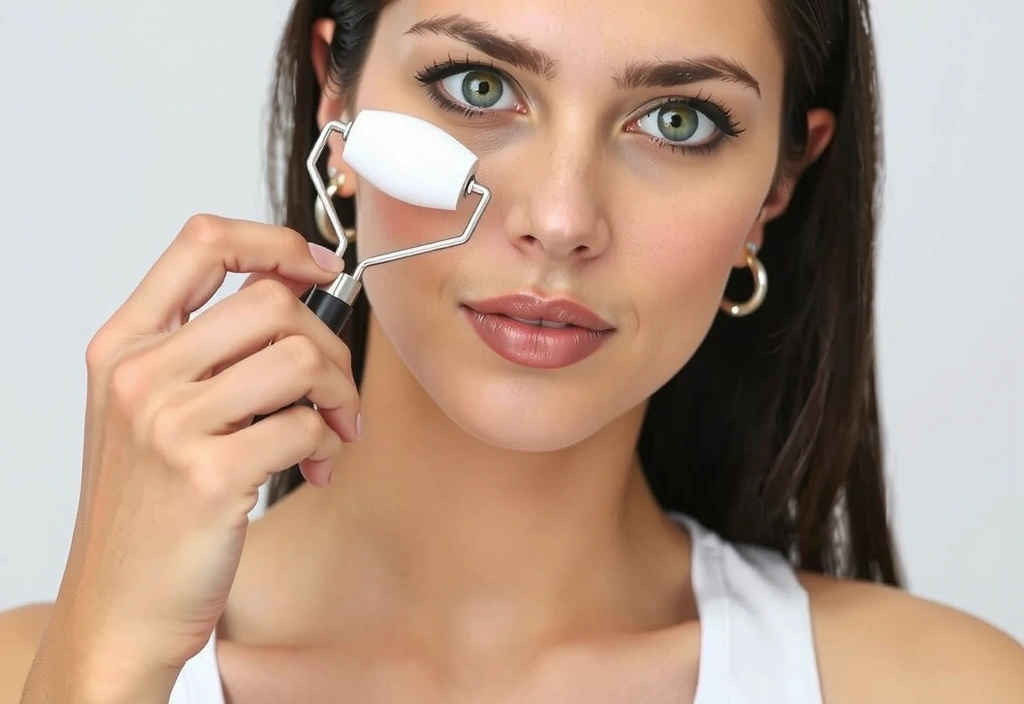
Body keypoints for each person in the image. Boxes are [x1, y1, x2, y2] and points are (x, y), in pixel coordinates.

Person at [3, 0, 1023, 701]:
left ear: (776, 185)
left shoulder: (940, 685)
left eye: (678, 120)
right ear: (338, 102)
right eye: (478, 87)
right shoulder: (44, 671)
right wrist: (100, 673)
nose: (560, 217)